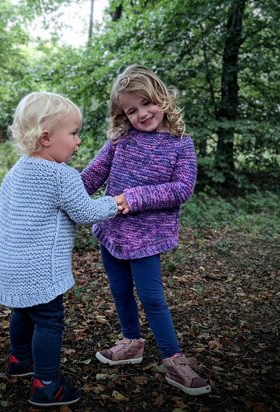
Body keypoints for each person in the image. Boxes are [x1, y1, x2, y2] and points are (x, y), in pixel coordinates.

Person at [81, 65, 211, 396]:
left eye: (147, 104)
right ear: (122, 115)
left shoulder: (181, 144)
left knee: (152, 298)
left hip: (147, 236)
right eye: (131, 110)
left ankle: (174, 360)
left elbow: (182, 189)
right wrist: (69, 192)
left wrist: (134, 198)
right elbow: (95, 172)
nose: (142, 114)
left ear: (162, 98)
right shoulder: (121, 139)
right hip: (112, 230)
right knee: (120, 290)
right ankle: (131, 343)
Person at [0, 92, 121, 407]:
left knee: (23, 312)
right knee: (48, 320)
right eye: (73, 133)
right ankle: (47, 384)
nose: (77, 142)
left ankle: (20, 361)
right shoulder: (62, 176)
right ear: (46, 137)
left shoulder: (14, 173)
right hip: (38, 269)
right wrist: (115, 203)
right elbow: (85, 212)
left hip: (7, 264)